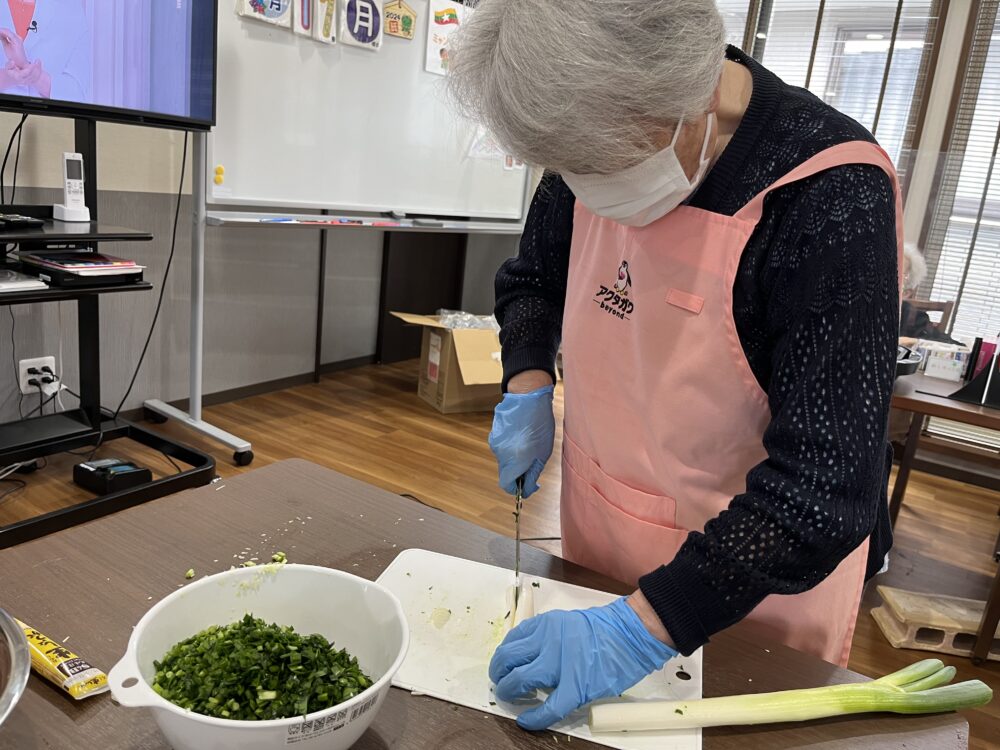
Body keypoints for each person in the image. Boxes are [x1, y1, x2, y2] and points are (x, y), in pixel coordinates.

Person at [449, 0, 902, 731]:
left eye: (610, 168)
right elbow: (533, 278)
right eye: (569, 170)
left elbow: (827, 486)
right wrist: (527, 380)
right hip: (602, 540)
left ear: (692, 98)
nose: (588, 191)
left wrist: (640, 628)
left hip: (753, 582)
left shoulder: (831, 194)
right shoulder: (593, 136)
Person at [0, 0, 91, 102]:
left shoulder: (72, 9)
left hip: (49, 117)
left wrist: (38, 78)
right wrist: (10, 77)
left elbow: (78, 93)